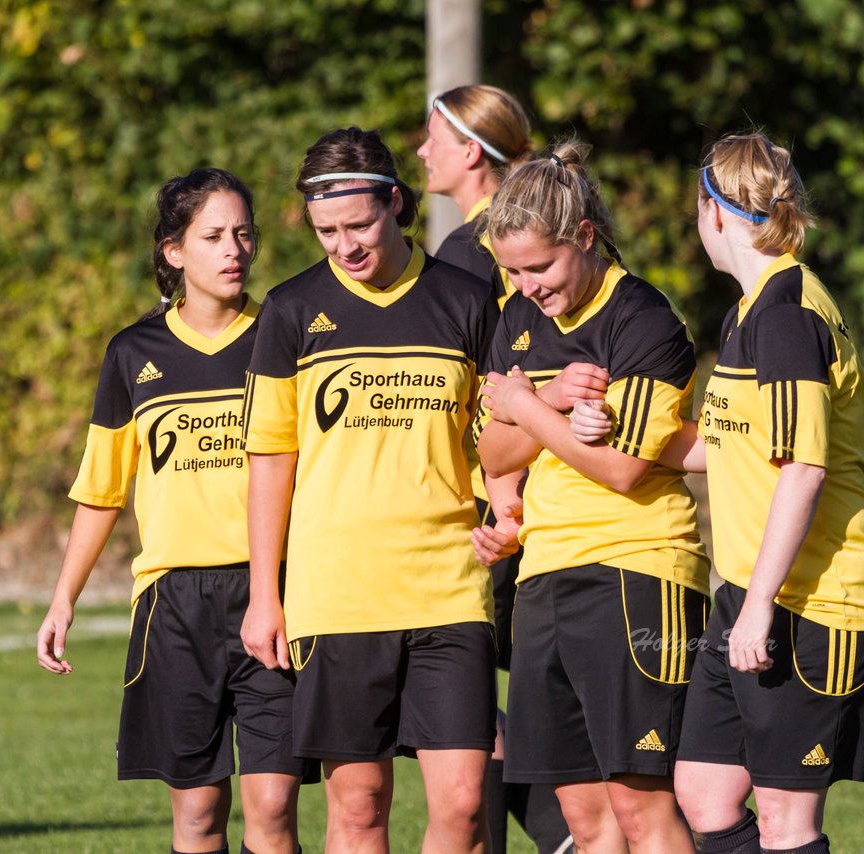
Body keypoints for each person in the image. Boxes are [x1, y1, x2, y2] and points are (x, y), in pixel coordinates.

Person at [578, 131, 864, 854]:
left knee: (786, 820)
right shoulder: (751, 310)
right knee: (704, 790)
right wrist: (619, 432)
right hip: (750, 592)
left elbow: (804, 470)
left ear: (712, 211)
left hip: (814, 601)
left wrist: (757, 609)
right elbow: (728, 448)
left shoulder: (787, 313)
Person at [36, 168, 311, 854]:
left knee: (274, 806)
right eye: (213, 236)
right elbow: (102, 490)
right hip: (175, 604)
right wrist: (63, 598)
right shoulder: (134, 353)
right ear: (173, 251)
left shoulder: (284, 335)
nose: (233, 250)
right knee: (196, 815)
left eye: (244, 234)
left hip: (273, 593)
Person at [241, 127, 498, 853]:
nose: (344, 244)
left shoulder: (466, 300)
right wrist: (266, 594)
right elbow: (270, 458)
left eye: (358, 224)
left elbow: (500, 441)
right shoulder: (290, 312)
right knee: (358, 809)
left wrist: (509, 513)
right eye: (327, 231)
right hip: (338, 591)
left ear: (394, 201)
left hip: (450, 585)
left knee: (465, 804)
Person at [474, 143, 709, 854]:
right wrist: (543, 400)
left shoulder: (643, 320)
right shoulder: (515, 319)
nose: (526, 286)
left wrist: (522, 404)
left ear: (583, 237)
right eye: (511, 271)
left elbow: (621, 470)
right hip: (544, 574)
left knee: (642, 809)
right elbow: (490, 452)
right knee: (583, 820)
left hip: (638, 571)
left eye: (538, 267)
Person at [418, 84, 583, 854]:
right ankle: (567, 829)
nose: (421, 152)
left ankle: (561, 829)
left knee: (465, 706)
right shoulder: (533, 232)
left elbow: (489, 390)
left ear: (471, 150)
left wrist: (497, 497)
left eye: (432, 138)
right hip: (525, 487)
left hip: (496, 498)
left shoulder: (474, 250)